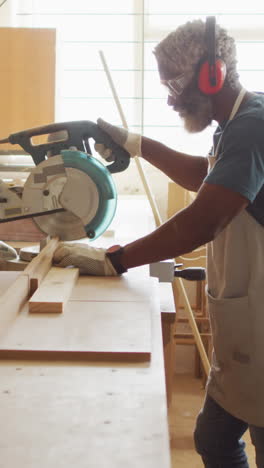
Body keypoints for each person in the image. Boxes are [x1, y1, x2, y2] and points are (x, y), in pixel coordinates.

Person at [53, 17, 264, 467]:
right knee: (214, 438)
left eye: (175, 84)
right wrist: (135, 142)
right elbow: (207, 178)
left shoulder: (252, 128)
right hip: (248, 321)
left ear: (213, 75)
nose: (170, 99)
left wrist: (117, 260)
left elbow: (201, 222)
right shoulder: (237, 123)